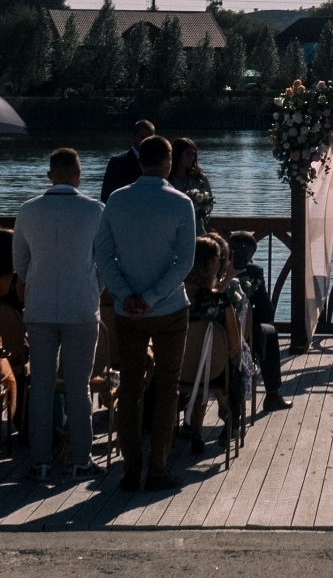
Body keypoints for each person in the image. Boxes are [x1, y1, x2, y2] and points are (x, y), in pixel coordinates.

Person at [98, 134, 198, 492]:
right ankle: (158, 468)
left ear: (140, 162)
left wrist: (127, 296)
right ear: (169, 162)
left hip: (128, 312)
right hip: (169, 307)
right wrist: (153, 297)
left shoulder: (116, 200)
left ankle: (130, 470)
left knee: (130, 387)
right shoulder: (181, 202)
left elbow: (103, 256)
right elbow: (184, 262)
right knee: (167, 387)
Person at [14, 146, 106, 482]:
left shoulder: (28, 210)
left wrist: (38, 283)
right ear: (79, 175)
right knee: (79, 386)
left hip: (39, 307)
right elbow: (104, 262)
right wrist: (93, 288)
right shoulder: (95, 210)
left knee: (41, 385)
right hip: (80, 306)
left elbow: (20, 264)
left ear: (49, 175)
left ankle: (40, 461)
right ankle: (81, 459)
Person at [184, 236, 247, 449]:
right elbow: (235, 345)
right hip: (214, 370)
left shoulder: (177, 297)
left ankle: (195, 431)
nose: (222, 262)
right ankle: (231, 421)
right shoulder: (220, 301)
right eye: (220, 258)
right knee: (227, 371)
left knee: (201, 372)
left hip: (180, 369)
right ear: (212, 262)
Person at [226, 232, 289, 412]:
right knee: (270, 332)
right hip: (243, 337)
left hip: (212, 336)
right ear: (249, 254)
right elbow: (267, 312)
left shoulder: (214, 267)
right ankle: (272, 394)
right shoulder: (253, 272)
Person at [101, 119, 158, 202]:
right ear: (133, 137)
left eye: (149, 138)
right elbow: (106, 196)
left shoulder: (159, 162)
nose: (145, 141)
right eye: (142, 137)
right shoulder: (118, 162)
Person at [170, 138, 215, 231]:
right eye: (188, 154)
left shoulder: (200, 179)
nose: (192, 158)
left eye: (193, 154)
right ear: (178, 155)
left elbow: (210, 203)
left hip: (196, 228)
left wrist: (200, 207)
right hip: (174, 228)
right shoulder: (169, 179)